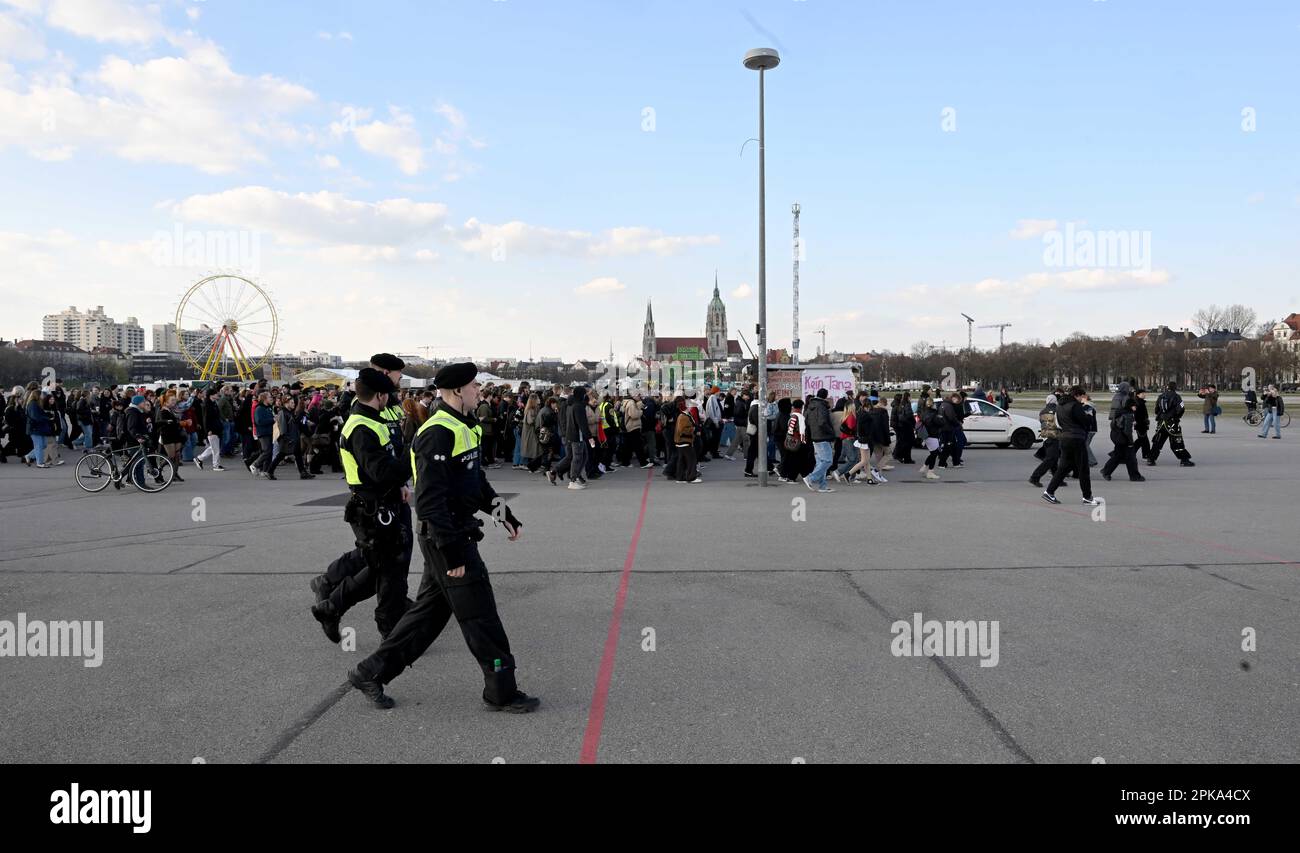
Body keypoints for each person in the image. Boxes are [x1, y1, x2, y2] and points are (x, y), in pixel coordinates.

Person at [347, 362, 537, 713]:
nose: (479, 391)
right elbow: (430, 503)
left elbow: (475, 482)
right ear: (455, 392)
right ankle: (502, 691)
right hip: (447, 538)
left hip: (453, 534)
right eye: (474, 386)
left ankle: (369, 672)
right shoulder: (437, 433)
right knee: (481, 617)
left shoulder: (464, 426)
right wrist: (452, 556)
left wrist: (504, 516)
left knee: (427, 617)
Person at [309, 369, 412, 644]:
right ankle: (335, 607)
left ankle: (333, 604)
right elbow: (379, 470)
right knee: (382, 567)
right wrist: (413, 457)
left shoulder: (368, 421)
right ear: (379, 395)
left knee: (380, 565)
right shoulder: (362, 427)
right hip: (372, 505)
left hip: (378, 502)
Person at [1043, 386, 1102, 506]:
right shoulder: (1075, 405)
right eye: (1081, 397)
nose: (1082, 399)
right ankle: (1087, 497)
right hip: (1076, 438)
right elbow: (1086, 421)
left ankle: (1049, 491)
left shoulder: (1060, 405)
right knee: (1083, 469)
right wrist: (1089, 409)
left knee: (1063, 467)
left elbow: (1060, 421)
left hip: (1065, 437)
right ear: (1077, 395)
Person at [1100, 381, 1146, 482]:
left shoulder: (1116, 398)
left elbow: (1113, 415)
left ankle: (1106, 471)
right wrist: (1130, 441)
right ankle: (1134, 476)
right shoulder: (1127, 410)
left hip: (1115, 431)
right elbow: (1127, 429)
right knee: (1130, 457)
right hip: (1123, 435)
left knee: (1119, 454)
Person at [1149, 382, 1194, 467]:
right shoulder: (1177, 397)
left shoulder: (1160, 396)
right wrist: (1177, 417)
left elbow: (1156, 410)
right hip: (1172, 423)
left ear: (1167, 387)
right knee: (1177, 442)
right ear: (1175, 387)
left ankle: (1151, 459)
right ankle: (1184, 460)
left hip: (1161, 423)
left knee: (1157, 442)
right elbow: (1181, 409)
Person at [804, 388, 836, 492]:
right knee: (828, 460)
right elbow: (822, 422)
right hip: (823, 436)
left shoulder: (810, 405)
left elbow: (807, 421)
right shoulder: (821, 406)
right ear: (825, 396)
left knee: (821, 462)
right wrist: (831, 432)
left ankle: (822, 486)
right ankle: (811, 478)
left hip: (814, 436)